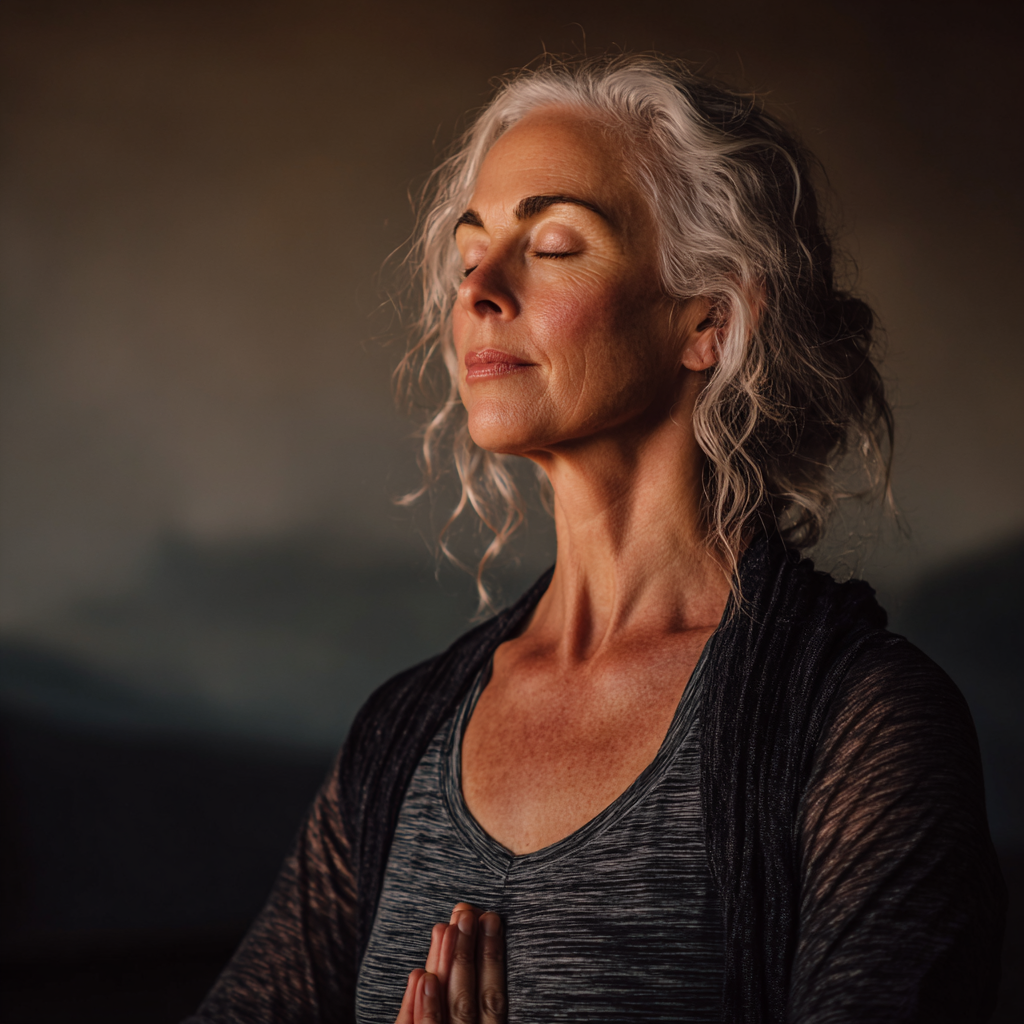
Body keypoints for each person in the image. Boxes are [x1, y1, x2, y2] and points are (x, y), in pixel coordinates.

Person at [185, 54, 1005, 1024]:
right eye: (467, 253)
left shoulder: (860, 725)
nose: (480, 288)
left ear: (707, 319)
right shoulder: (404, 733)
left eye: (555, 244)